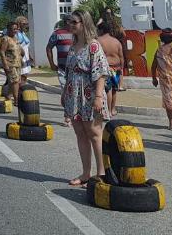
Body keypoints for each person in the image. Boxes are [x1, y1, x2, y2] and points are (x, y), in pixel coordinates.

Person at [63, 10, 110, 186]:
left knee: (95, 133)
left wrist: (98, 96)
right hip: (73, 93)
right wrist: (64, 94)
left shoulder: (93, 46)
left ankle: (101, 173)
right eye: (69, 21)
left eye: (74, 22)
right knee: (80, 133)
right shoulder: (73, 46)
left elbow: (101, 73)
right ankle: (85, 173)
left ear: (84, 23)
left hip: (90, 93)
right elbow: (69, 72)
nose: (70, 25)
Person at [46, 15, 74, 125]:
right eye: (73, 21)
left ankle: (74, 114)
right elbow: (49, 48)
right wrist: (52, 63)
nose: (74, 23)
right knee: (66, 92)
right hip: (63, 69)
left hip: (76, 69)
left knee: (74, 92)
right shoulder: (57, 34)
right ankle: (67, 116)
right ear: (67, 22)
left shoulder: (78, 33)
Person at [96, 20, 124, 117]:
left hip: (106, 68)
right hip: (116, 68)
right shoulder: (116, 41)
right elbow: (121, 56)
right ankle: (112, 109)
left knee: (108, 90)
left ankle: (107, 111)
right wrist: (121, 68)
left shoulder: (98, 41)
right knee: (114, 89)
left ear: (101, 30)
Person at [0, 21, 24, 103]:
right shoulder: (5, 39)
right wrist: (5, 64)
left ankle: (8, 96)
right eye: (13, 29)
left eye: (16, 29)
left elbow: (19, 49)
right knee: (15, 81)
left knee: (14, 81)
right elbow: (2, 52)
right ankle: (17, 100)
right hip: (10, 64)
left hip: (17, 63)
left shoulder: (16, 38)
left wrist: (22, 56)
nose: (15, 30)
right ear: (8, 29)